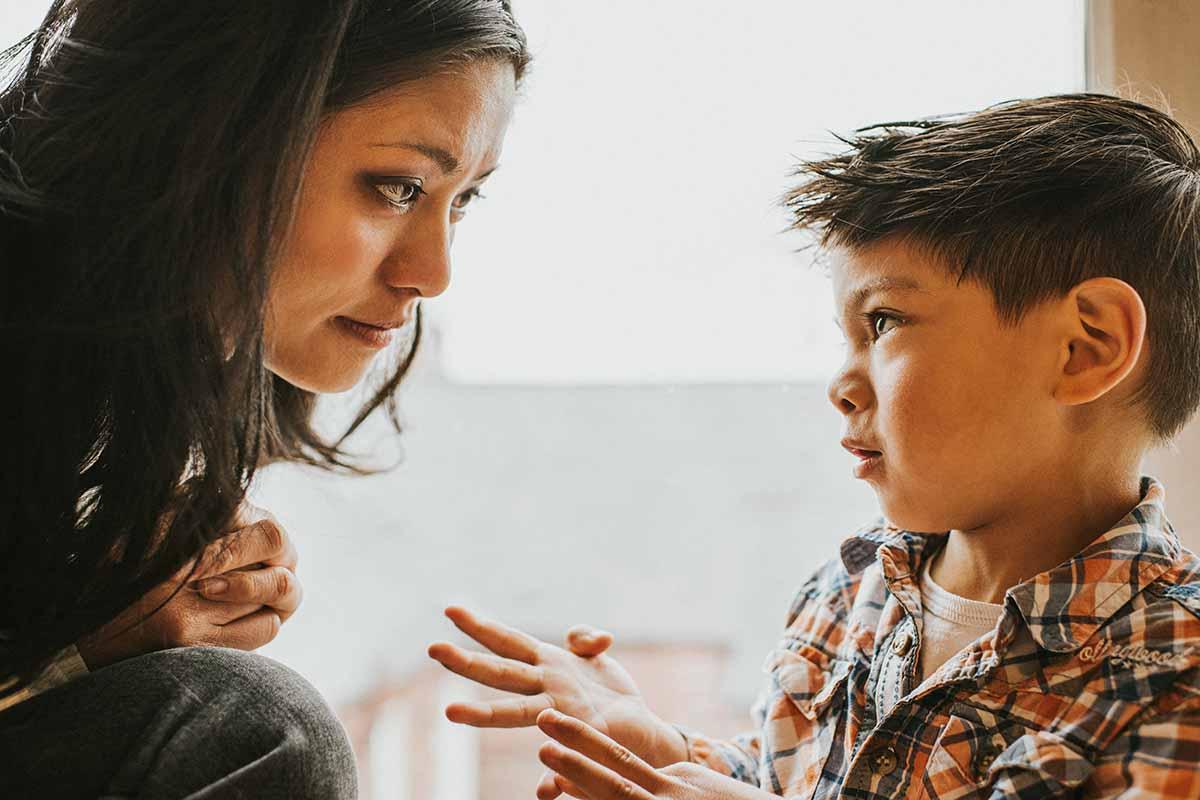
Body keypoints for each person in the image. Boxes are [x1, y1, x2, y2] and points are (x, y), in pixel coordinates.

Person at [428, 94, 1200, 799]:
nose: (841, 383)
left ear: (1084, 347)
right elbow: (783, 780)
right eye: (846, 336)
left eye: (886, 322)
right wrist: (664, 756)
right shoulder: (847, 592)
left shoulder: (1175, 672)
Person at [0, 0, 528, 797]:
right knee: (255, 723)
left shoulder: (149, 387)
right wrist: (64, 650)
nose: (434, 272)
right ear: (214, 129)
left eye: (463, 202)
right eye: (397, 188)